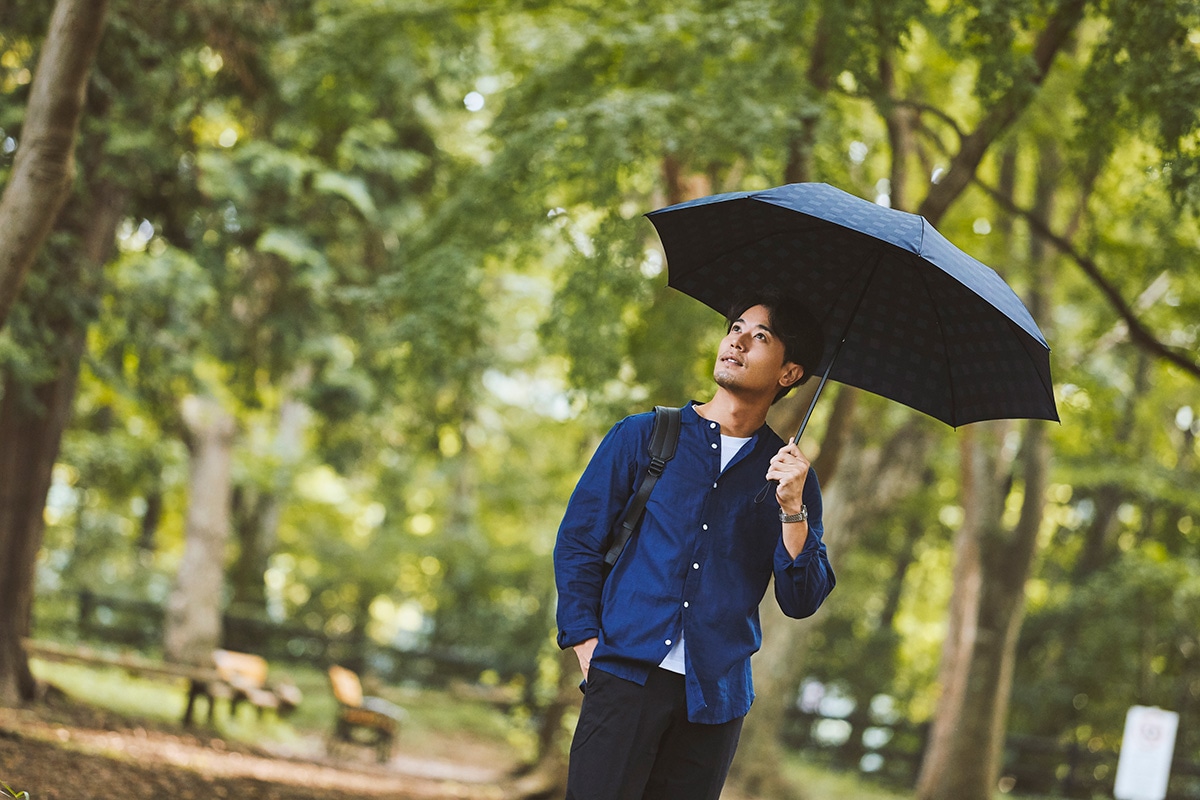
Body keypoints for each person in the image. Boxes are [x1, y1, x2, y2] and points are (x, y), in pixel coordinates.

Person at [553, 289, 836, 800]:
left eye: (760, 337)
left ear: (789, 373)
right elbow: (578, 542)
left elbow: (801, 600)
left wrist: (792, 507)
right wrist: (585, 642)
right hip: (623, 673)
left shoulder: (791, 477)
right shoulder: (643, 436)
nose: (737, 342)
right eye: (735, 329)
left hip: (715, 699)